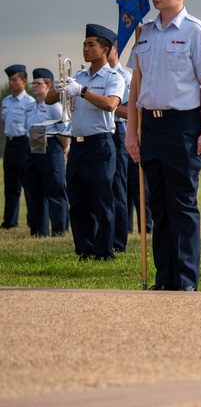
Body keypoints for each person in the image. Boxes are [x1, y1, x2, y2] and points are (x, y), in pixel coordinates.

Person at [125, 0, 201, 291]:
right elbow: (136, 84)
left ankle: (185, 280)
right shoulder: (145, 32)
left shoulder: (196, 31)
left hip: (183, 125)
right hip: (151, 125)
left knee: (182, 203)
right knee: (159, 206)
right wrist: (131, 132)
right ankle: (165, 279)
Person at [52, 24, 125, 260]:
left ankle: (104, 250)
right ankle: (84, 248)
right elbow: (51, 100)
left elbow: (111, 104)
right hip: (78, 144)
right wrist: (58, 85)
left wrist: (82, 92)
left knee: (102, 199)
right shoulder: (79, 76)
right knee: (78, 199)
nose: (85, 48)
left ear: (104, 49)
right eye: (84, 44)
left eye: (91, 44)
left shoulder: (113, 77)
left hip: (100, 144)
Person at [23, 68, 69, 237]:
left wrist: (63, 150)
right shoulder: (30, 107)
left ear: (49, 85)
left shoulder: (54, 107)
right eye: (33, 83)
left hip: (50, 148)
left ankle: (59, 229)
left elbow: (64, 132)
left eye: (38, 83)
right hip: (33, 147)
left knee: (55, 190)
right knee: (35, 191)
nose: (34, 86)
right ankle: (38, 231)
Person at [107, 39, 133, 253]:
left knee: (118, 187)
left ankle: (117, 241)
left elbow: (129, 111)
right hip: (100, 133)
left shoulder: (123, 76)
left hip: (117, 131)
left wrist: (101, 105)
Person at [2, 64, 33, 229]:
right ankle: (10, 221)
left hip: (23, 143)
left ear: (24, 81)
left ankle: (32, 220)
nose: (11, 83)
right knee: (10, 185)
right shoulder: (6, 101)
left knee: (27, 184)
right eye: (10, 80)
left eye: (14, 80)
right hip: (10, 143)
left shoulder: (30, 102)